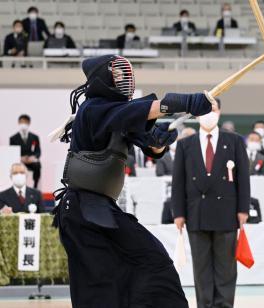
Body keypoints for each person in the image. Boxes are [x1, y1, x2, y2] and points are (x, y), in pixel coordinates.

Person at [51, 54, 215, 307]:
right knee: (98, 285)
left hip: (99, 209)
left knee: (150, 259)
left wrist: (159, 140)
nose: (122, 80)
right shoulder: (92, 109)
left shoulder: (119, 116)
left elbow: (150, 143)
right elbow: (134, 112)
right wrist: (182, 102)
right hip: (82, 210)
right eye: (115, 75)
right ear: (101, 80)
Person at [171, 102, 250, 308]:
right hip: (196, 214)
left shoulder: (234, 141)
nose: (209, 115)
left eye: (213, 110)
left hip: (227, 214)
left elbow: (243, 178)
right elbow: (178, 181)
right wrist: (178, 212)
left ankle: (224, 305)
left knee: (226, 269)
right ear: (196, 115)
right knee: (201, 269)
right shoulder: (185, 144)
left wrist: (243, 209)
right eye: (204, 111)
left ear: (219, 112)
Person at [10, 114, 41, 188]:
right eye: (21, 122)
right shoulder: (13, 138)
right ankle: (18, 186)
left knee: (37, 165)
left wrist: (33, 157)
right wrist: (20, 158)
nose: (23, 124)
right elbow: (12, 152)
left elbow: (38, 151)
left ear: (29, 123)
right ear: (18, 123)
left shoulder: (34, 137)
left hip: (31, 161)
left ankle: (35, 186)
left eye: (25, 122)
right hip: (19, 161)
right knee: (14, 167)